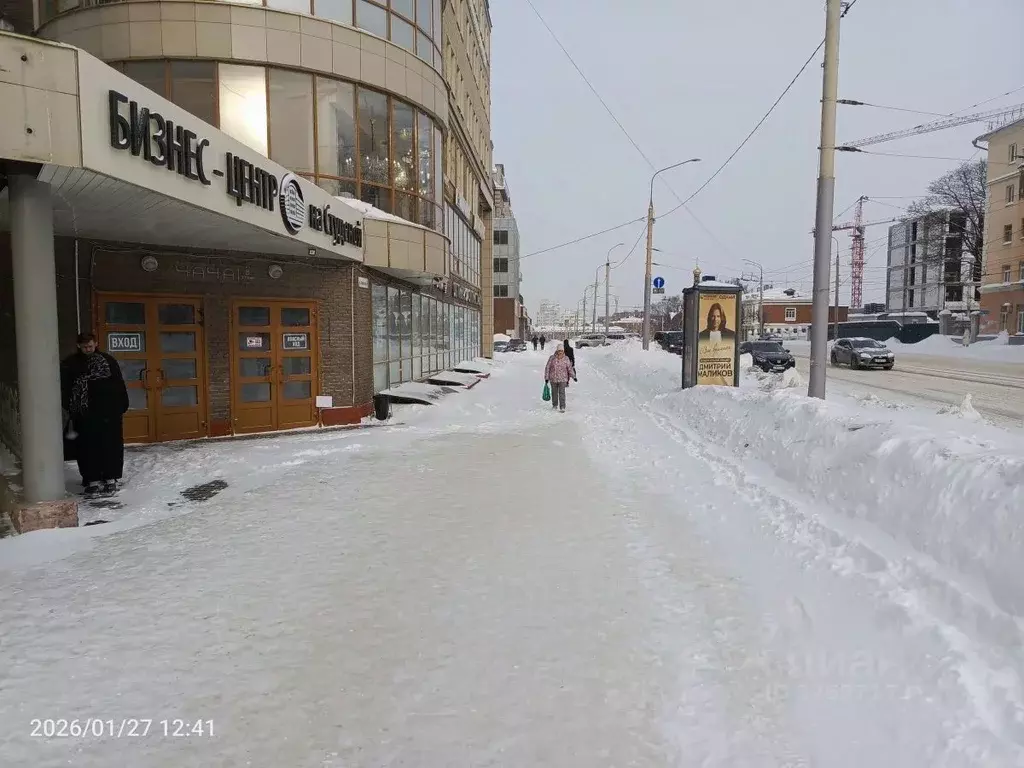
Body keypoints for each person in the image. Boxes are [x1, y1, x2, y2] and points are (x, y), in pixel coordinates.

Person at [61, 332, 129, 497]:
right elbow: (65, 388)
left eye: (90, 346)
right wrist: (71, 408)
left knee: (110, 446)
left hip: (108, 412)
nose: (88, 349)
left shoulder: (108, 361)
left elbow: (118, 384)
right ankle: (92, 480)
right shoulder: (71, 364)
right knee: (87, 448)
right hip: (85, 415)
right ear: (78, 346)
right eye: (84, 347)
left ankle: (111, 478)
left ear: (96, 343)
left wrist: (121, 405)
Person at [544, 344, 576, 413]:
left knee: (562, 393)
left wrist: (574, 377)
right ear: (557, 350)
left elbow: (569, 369)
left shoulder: (566, 358)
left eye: (561, 350)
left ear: (563, 351)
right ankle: (555, 405)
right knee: (554, 393)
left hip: (563, 379)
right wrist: (546, 378)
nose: (560, 352)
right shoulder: (552, 358)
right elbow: (547, 368)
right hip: (553, 379)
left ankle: (562, 407)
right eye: (559, 350)